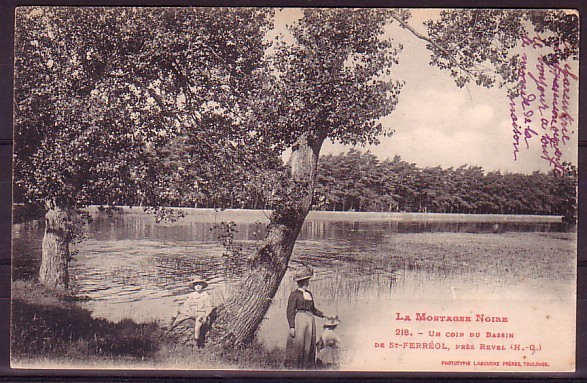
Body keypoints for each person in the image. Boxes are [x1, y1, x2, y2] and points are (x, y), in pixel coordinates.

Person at [284, 266, 330, 369]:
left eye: (307, 281)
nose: (307, 283)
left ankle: (307, 365)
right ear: (302, 282)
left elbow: (313, 309)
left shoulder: (309, 294)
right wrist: (292, 327)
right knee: (299, 342)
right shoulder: (294, 294)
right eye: (306, 281)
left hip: (310, 321)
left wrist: (323, 315)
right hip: (300, 321)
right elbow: (290, 311)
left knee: (309, 342)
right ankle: (296, 366)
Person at [168, 276, 214, 347]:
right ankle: (170, 325)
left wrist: (205, 316)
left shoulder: (205, 295)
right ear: (194, 287)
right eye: (196, 285)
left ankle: (198, 343)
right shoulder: (192, 295)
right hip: (193, 312)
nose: (198, 286)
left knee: (197, 326)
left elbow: (209, 308)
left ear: (202, 286)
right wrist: (188, 308)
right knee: (177, 309)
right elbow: (186, 304)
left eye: (199, 284)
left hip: (201, 314)